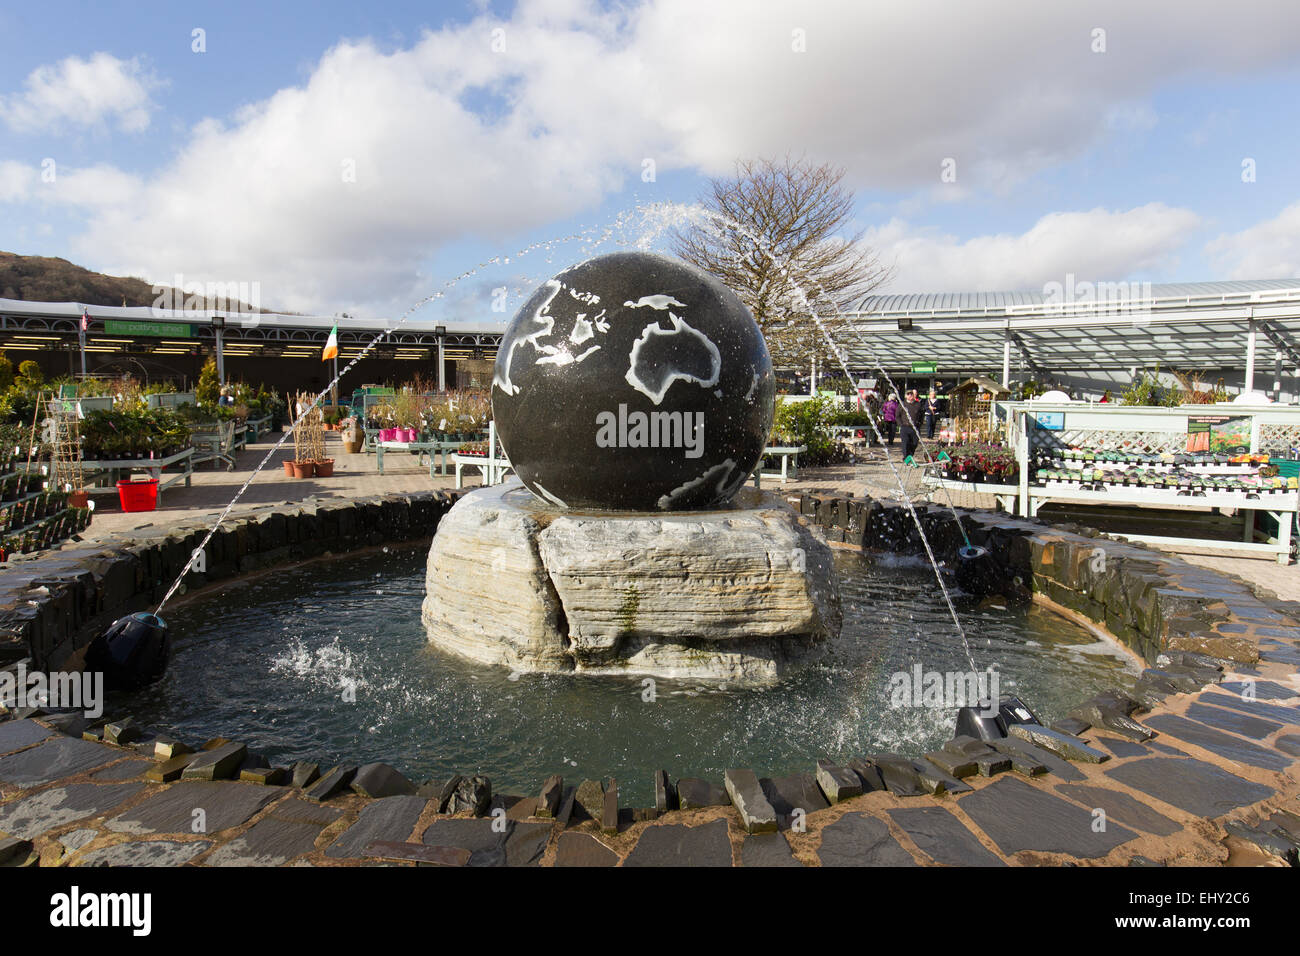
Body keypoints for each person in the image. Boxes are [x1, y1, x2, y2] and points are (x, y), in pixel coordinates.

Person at [900, 388, 923, 463]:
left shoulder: (918, 404)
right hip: (905, 427)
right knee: (905, 442)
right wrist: (901, 424)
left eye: (911, 394)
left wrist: (920, 423)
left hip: (915, 427)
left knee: (914, 443)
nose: (910, 395)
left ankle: (910, 455)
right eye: (908, 394)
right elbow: (897, 415)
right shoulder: (902, 404)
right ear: (906, 396)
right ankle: (906, 457)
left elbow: (921, 414)